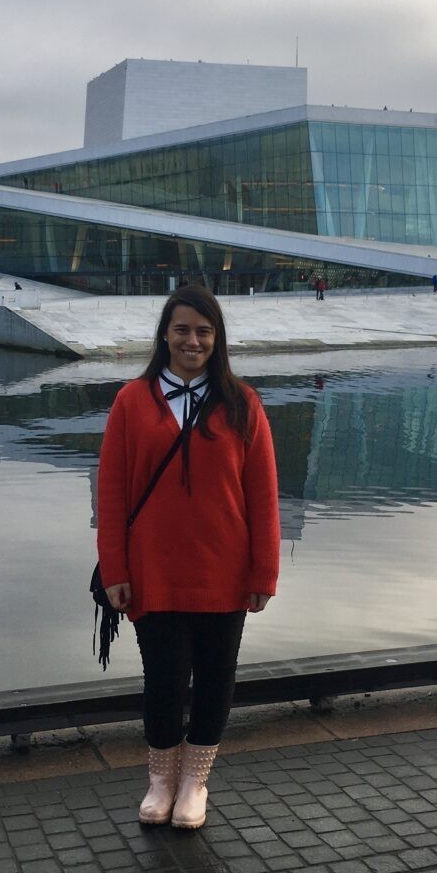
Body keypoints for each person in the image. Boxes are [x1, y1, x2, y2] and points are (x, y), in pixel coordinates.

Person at [97, 285, 280, 830]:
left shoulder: (242, 403)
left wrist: (263, 571)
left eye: (203, 331)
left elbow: (264, 494)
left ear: (216, 338)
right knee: (165, 679)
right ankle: (160, 780)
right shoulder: (132, 400)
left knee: (217, 677)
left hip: (224, 570)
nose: (192, 340)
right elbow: (110, 495)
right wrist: (115, 570)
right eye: (182, 329)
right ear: (165, 335)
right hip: (154, 570)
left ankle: (195, 783)